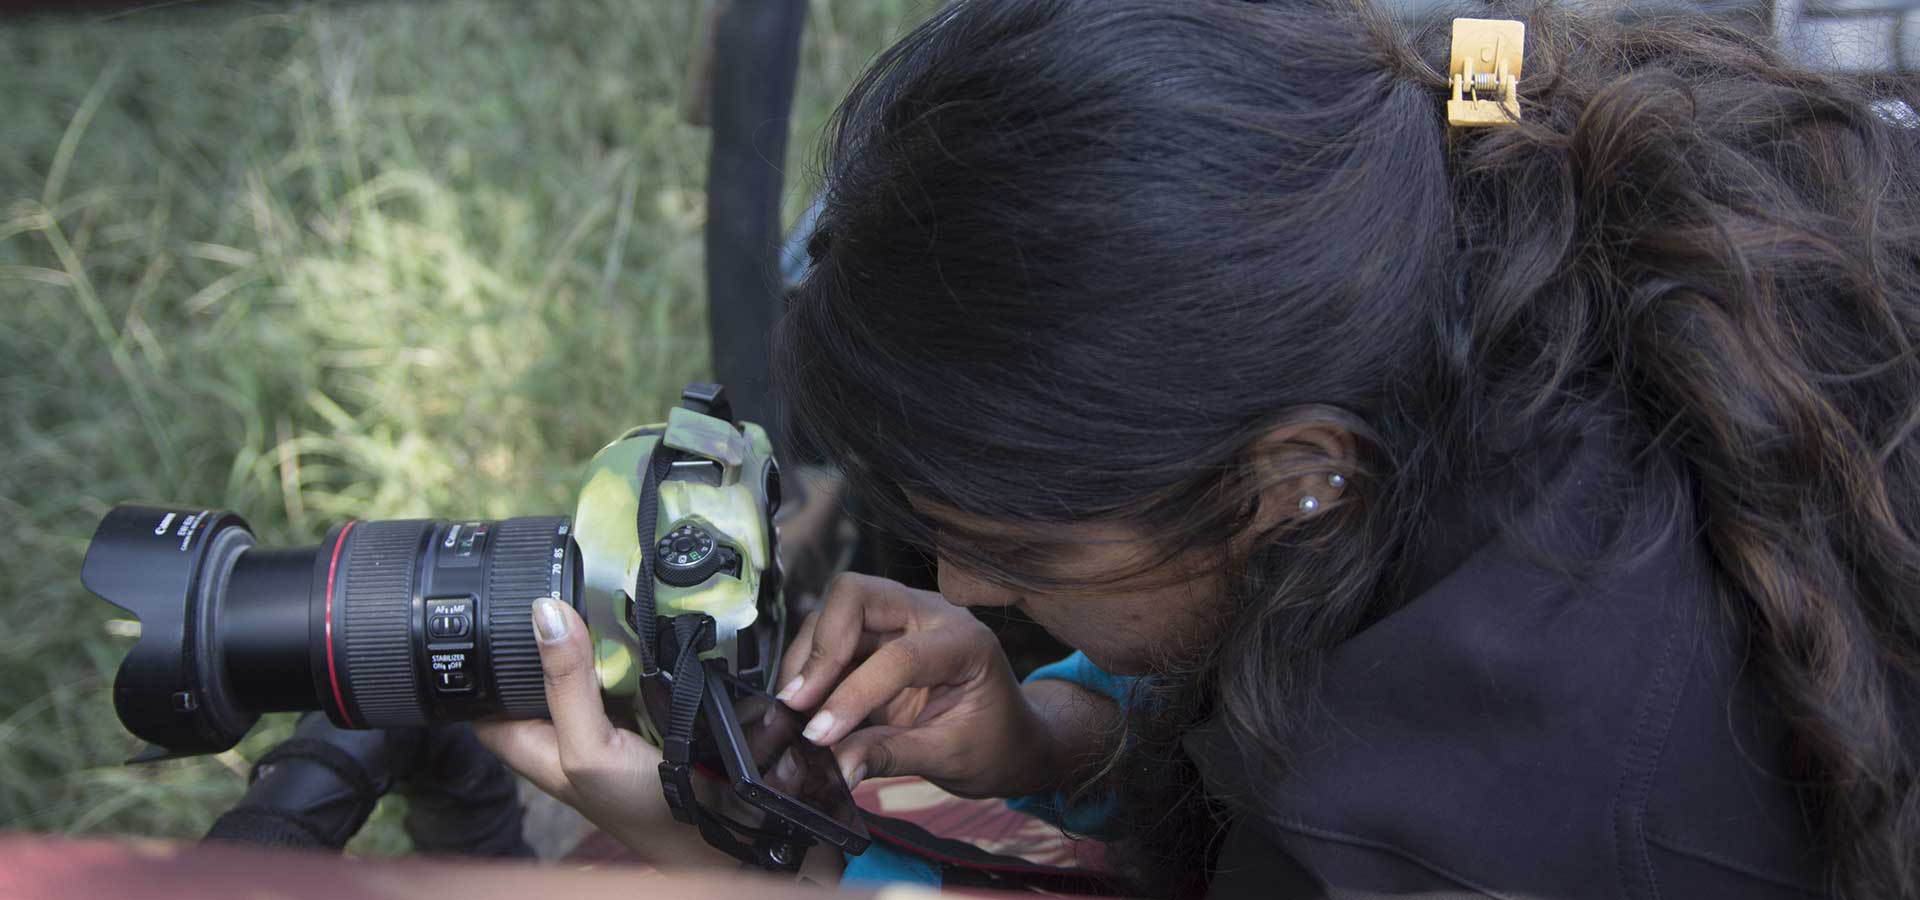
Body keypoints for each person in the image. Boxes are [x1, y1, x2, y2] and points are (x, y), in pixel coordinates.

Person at [478, 0, 1920, 896]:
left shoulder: (1436, 837)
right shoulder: (1480, 185)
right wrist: (1065, 733)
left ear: (1291, 477)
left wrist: (779, 886)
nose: (968, 592)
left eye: (1022, 546)